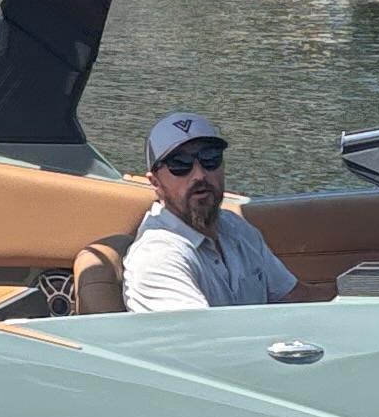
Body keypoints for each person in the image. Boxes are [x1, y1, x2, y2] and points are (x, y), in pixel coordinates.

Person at [119, 112, 298, 312]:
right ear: (156, 183)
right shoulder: (158, 257)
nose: (200, 175)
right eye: (180, 164)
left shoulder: (236, 228)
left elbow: (296, 297)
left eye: (210, 158)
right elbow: (205, 339)